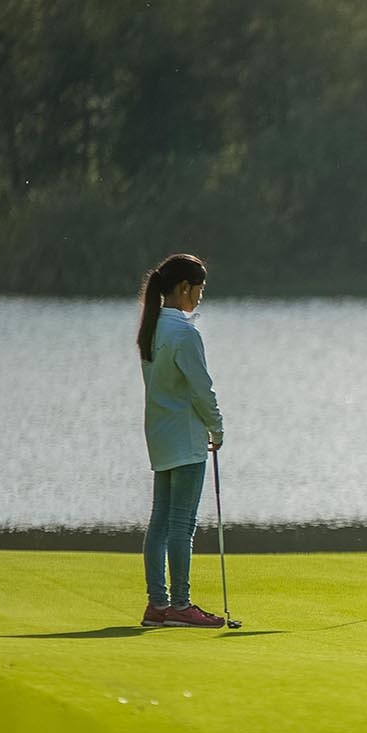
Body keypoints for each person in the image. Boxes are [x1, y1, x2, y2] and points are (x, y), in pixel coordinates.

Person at [136, 253, 227, 628]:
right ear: (183, 288)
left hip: (159, 433)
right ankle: (180, 605)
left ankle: (158, 605)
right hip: (187, 437)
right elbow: (201, 389)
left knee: (160, 522)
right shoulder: (185, 333)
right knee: (181, 524)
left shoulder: (153, 328)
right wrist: (217, 429)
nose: (201, 296)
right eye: (199, 288)